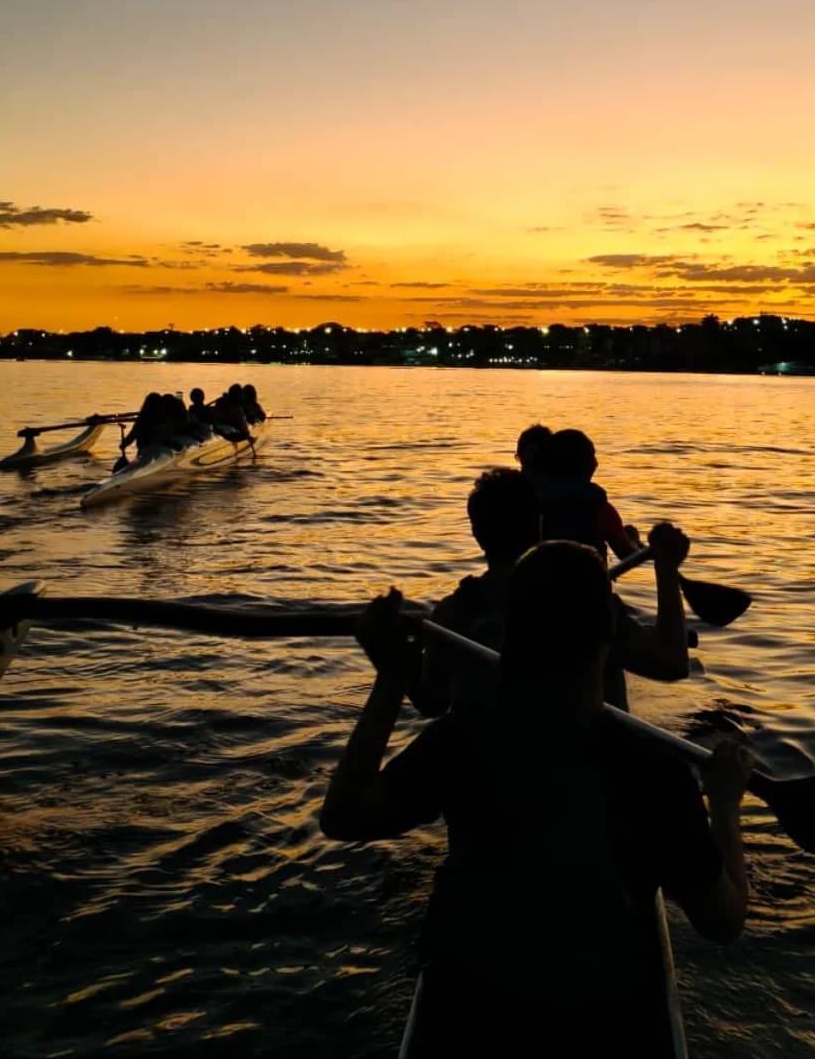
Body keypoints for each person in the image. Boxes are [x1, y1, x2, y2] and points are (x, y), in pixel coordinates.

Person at [320, 542, 750, 1055]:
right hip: (599, 1019)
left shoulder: (461, 740)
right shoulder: (654, 772)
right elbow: (722, 922)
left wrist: (391, 679)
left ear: (511, 635)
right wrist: (724, 806)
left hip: (478, 1009)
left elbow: (345, 815)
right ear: (611, 635)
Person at [411, 469, 690, 717]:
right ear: (539, 522)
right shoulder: (587, 601)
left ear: (476, 532)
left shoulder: (452, 615)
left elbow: (432, 703)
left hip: (489, 768)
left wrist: (396, 658)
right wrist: (666, 569)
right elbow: (672, 665)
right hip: (591, 763)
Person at [536, 428, 639, 560]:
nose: (596, 463)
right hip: (587, 579)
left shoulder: (528, 501)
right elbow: (627, 555)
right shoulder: (599, 508)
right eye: (591, 456)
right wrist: (634, 541)